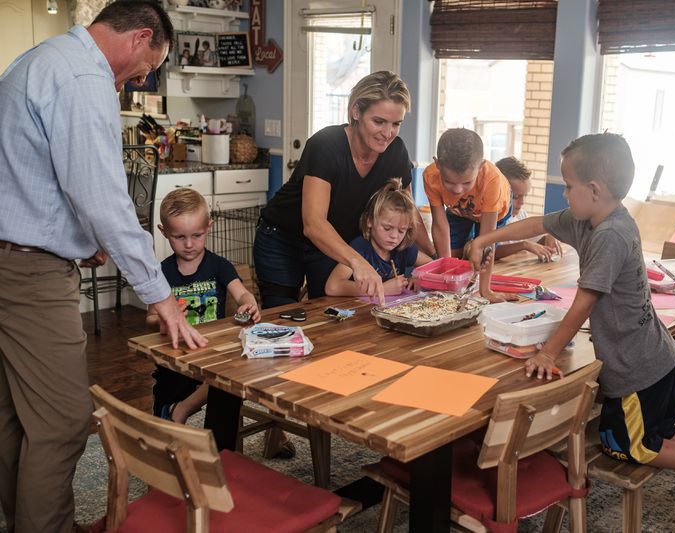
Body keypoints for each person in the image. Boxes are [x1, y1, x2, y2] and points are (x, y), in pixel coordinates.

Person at [467, 133, 675, 531]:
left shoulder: (608, 235)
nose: (565, 194)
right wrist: (485, 237)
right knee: (660, 431)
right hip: (657, 359)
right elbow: (538, 222)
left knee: (628, 444)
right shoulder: (595, 217)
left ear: (594, 189)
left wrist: (548, 353)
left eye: (569, 186)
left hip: (636, 369)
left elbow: (584, 302)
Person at [0, 2, 207, 531]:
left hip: (11, 256)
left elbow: (35, 177)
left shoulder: (39, 61)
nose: (131, 84)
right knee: (66, 423)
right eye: (141, 73)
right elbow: (104, 198)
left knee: (14, 417)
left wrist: (77, 239)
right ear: (140, 37)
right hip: (27, 275)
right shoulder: (81, 79)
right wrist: (160, 294)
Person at [254, 70, 433, 308]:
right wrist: (358, 262)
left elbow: (409, 214)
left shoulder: (396, 151)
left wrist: (435, 259)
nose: (387, 133)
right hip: (283, 239)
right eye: (378, 121)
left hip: (333, 242)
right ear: (356, 111)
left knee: (328, 311)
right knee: (282, 316)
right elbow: (314, 224)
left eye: (396, 124)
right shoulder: (326, 144)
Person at [146, 189, 261, 425]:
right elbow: (149, 318)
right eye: (179, 237)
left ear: (209, 227)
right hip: (175, 357)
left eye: (197, 235)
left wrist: (249, 305)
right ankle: (173, 419)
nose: (189, 244)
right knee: (166, 417)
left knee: (228, 380)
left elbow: (242, 294)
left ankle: (212, 442)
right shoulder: (161, 273)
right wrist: (166, 318)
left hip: (211, 353)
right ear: (163, 231)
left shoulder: (219, 266)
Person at [423, 128, 515, 302]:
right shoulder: (430, 176)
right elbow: (440, 226)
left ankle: (479, 284)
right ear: (438, 164)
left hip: (495, 211)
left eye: (466, 182)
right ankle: (459, 280)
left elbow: (488, 238)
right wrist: (446, 278)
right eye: (449, 181)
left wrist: (486, 291)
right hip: (459, 210)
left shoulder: (491, 179)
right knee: (455, 256)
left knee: (480, 255)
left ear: (480, 167)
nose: (457, 190)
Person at [325, 179, 432, 297]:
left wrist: (417, 277)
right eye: (387, 228)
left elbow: (431, 264)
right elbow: (332, 287)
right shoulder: (360, 248)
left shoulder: (403, 248)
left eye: (402, 230)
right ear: (370, 221)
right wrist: (382, 289)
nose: (394, 236)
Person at [493, 156, 561, 261]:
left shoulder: (521, 214)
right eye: (515, 197)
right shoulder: (492, 217)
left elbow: (534, 241)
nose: (522, 202)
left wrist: (548, 238)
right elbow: (491, 251)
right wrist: (524, 245)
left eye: (525, 195)